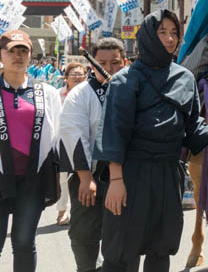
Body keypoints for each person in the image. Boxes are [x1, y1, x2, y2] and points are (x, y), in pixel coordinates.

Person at [96, 10, 208, 272]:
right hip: (131, 174)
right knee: (123, 251)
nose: (170, 39)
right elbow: (114, 131)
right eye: (162, 32)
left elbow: (192, 125)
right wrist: (115, 180)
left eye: (174, 33)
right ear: (147, 36)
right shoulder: (125, 79)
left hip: (169, 174)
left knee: (161, 248)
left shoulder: (185, 78)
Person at [57, 38, 125, 272]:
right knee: (84, 235)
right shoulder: (81, 94)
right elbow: (73, 134)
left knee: (121, 239)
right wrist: (86, 178)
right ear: (91, 65)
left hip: (125, 177)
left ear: (124, 62)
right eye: (102, 62)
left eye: (115, 62)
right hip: (91, 173)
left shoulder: (132, 90)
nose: (109, 67)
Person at [0, 29, 63, 272]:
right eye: (11, 50)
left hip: (32, 180)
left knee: (25, 242)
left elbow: (57, 135)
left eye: (23, 50)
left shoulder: (46, 92)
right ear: (1, 55)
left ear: (30, 56)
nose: (17, 55)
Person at [54, 62, 87, 226]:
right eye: (73, 74)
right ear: (66, 77)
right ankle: (62, 211)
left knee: (82, 178)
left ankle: (78, 212)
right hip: (62, 140)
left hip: (83, 142)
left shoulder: (88, 94)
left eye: (81, 74)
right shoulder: (58, 94)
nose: (77, 77)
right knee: (63, 179)